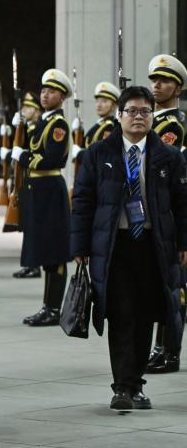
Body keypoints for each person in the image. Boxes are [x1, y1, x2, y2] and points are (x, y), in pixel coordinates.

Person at [71, 86, 187, 411]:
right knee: (121, 313)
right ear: (119, 115)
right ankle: (122, 386)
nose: (138, 117)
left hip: (154, 246)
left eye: (145, 112)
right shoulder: (99, 153)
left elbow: (183, 205)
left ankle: (136, 385)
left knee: (146, 314)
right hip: (115, 247)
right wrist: (79, 246)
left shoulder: (169, 156)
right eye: (132, 111)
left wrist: (183, 244)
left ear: (152, 116)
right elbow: (82, 201)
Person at [12, 69, 72, 327]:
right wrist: (18, 130)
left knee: (54, 252)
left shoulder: (58, 125)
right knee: (46, 251)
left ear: (62, 97)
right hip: (38, 191)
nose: (45, 95)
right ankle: (47, 306)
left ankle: (53, 308)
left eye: (52, 91)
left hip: (50, 190)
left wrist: (23, 156)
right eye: (44, 90)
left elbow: (52, 159)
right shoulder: (43, 123)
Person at [143, 54, 187, 375]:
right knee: (159, 284)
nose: (157, 85)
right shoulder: (153, 120)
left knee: (174, 287)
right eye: (154, 80)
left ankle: (169, 352)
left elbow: (155, 161)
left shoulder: (172, 125)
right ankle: (160, 348)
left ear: (178, 88)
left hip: (169, 214)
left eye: (165, 81)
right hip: (155, 212)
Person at [10, 92, 43, 279]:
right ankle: (29, 263)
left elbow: (29, 151)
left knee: (33, 227)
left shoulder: (37, 128)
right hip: (25, 179)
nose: (24, 110)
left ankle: (34, 265)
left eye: (29, 108)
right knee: (28, 226)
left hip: (34, 180)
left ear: (37, 112)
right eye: (23, 107)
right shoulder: (28, 128)